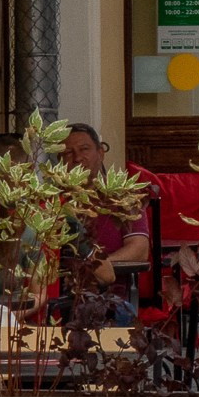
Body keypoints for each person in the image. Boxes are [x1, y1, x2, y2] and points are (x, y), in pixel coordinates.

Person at [60, 124, 152, 290]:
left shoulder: (123, 196)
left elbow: (139, 249)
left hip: (112, 295)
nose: (77, 158)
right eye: (68, 153)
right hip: (62, 292)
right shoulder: (55, 200)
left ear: (100, 153)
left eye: (84, 149)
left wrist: (97, 267)